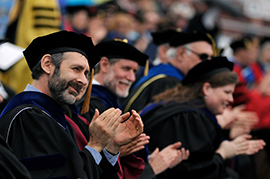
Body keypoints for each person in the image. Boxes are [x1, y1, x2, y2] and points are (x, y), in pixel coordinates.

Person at [0, 30, 143, 178]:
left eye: (86, 74)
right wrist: (95, 144)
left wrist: (111, 147)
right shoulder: (28, 117)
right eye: (76, 69)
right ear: (47, 64)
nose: (83, 81)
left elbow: (79, 170)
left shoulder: (54, 116)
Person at [75, 39, 189, 179]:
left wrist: (149, 158)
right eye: (126, 69)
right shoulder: (89, 103)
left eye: (135, 71)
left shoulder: (110, 100)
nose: (132, 77)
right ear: (104, 65)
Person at [139, 56, 266, 179]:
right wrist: (223, 153)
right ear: (207, 89)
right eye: (227, 92)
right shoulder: (190, 117)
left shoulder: (184, 106)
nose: (231, 99)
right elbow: (194, 172)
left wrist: (227, 135)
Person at [119, 30, 215, 113]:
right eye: (203, 57)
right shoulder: (170, 83)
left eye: (211, 58)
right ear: (181, 53)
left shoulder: (160, 71)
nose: (208, 62)